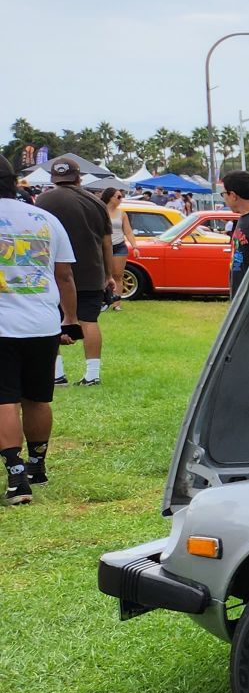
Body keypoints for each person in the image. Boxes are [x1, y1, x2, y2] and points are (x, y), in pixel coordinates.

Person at [0, 160, 80, 505]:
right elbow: (65, 276)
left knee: (4, 400)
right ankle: (37, 465)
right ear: (14, 182)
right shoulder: (45, 219)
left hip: (3, 326)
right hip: (42, 323)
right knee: (37, 397)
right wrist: (70, 319)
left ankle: (16, 476)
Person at [35, 160, 114, 386]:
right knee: (89, 320)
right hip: (90, 271)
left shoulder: (42, 200)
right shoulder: (96, 203)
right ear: (79, 177)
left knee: (52, 320)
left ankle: (57, 374)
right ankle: (92, 374)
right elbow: (107, 243)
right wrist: (109, 275)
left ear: (53, 179)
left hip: (53, 271)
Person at [99, 185, 128, 306]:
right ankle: (102, 300)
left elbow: (128, 231)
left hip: (118, 245)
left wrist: (135, 246)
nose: (121, 199)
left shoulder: (122, 213)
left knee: (118, 275)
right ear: (110, 198)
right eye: (119, 197)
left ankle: (117, 303)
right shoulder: (100, 211)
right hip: (103, 246)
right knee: (102, 275)